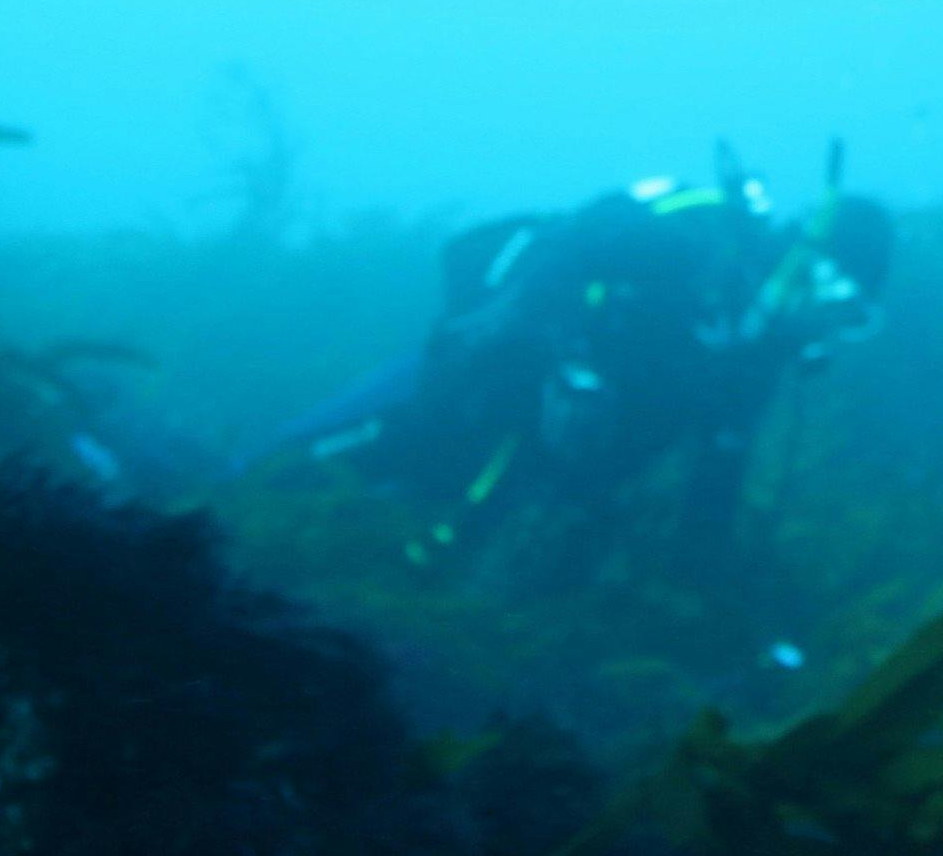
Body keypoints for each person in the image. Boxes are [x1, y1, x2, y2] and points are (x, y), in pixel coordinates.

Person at [248, 148, 890, 570]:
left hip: (530, 464)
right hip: (462, 390)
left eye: (848, 314)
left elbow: (717, 475)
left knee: (397, 543)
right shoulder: (694, 248)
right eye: (831, 289)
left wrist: (700, 592)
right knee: (263, 481)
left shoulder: (758, 359)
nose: (823, 318)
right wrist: (570, 364)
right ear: (804, 251)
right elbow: (562, 253)